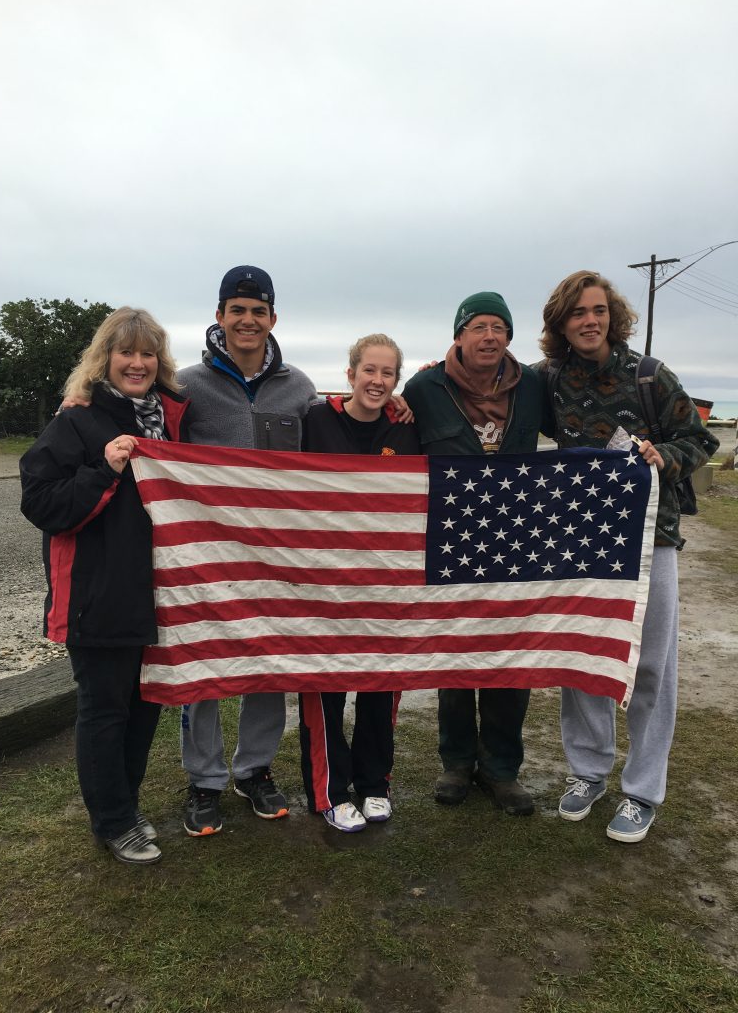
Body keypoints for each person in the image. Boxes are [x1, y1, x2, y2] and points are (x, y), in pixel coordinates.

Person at [539, 270, 719, 842]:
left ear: (612, 315)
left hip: (651, 540)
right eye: (577, 313)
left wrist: (660, 455)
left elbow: (700, 440)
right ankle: (588, 772)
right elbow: (497, 398)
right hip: (582, 539)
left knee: (651, 666)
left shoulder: (649, 375)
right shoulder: (549, 380)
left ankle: (643, 790)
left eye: (597, 310)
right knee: (585, 656)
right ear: (561, 324)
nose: (589, 321)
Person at [19, 308, 189, 865]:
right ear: (105, 359)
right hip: (98, 592)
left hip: (156, 592)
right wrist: (104, 470)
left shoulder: (172, 418)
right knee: (104, 708)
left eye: (147, 354)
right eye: (126, 353)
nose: (137, 363)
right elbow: (42, 502)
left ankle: (126, 806)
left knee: (144, 706)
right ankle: (112, 820)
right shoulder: (77, 420)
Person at [178, 266, 318, 836]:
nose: (248, 320)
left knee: (266, 666)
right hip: (207, 557)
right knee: (205, 667)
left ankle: (253, 769)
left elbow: (330, 451)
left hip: (275, 556)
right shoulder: (184, 386)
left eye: (258, 311)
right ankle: (204, 779)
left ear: (273, 319)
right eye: (237, 309)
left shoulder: (300, 387)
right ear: (219, 316)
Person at [402, 292, 546, 815]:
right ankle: (457, 762)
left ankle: (502, 770)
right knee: (457, 652)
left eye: (499, 327)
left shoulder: (533, 383)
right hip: (451, 539)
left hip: (517, 542)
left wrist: (632, 454)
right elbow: (394, 438)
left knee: (511, 655)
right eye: (479, 326)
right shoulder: (423, 386)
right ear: (459, 335)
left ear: (509, 336)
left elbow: (575, 432)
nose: (490, 336)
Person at [299, 334, 421, 832]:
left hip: (385, 584)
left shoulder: (407, 428)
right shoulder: (316, 421)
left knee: (380, 684)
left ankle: (375, 782)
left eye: (388, 373)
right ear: (350, 374)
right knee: (326, 686)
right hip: (324, 583)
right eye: (368, 370)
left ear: (397, 381)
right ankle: (329, 790)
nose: (377, 381)